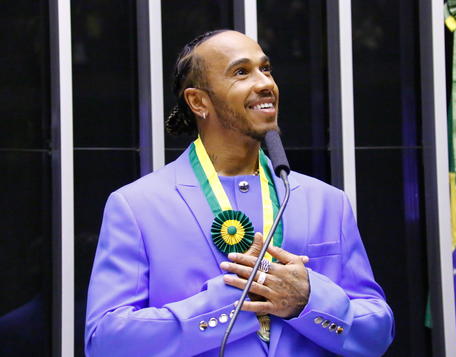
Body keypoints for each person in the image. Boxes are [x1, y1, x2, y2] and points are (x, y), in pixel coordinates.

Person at [85, 29, 394, 357]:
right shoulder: (136, 206)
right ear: (198, 101)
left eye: (266, 69)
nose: (265, 83)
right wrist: (237, 299)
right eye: (241, 72)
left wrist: (308, 300)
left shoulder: (328, 202)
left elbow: (377, 332)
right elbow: (106, 341)